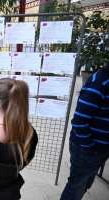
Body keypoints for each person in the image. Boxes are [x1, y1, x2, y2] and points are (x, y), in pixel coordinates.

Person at [60, 64, 109, 200]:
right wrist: (90, 149)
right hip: (88, 147)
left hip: (99, 147)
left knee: (84, 182)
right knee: (76, 186)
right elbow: (79, 122)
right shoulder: (98, 84)